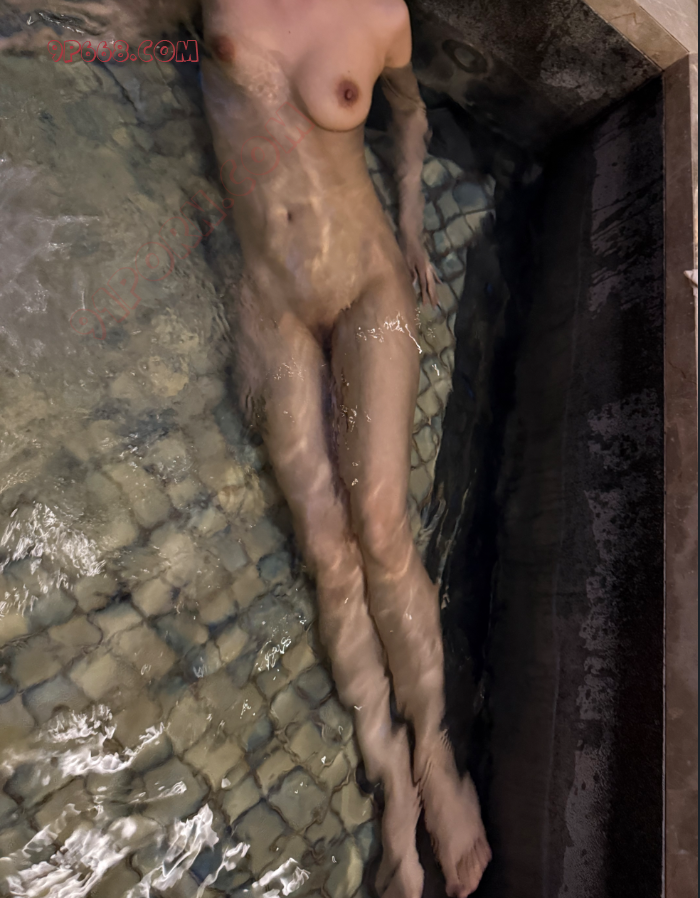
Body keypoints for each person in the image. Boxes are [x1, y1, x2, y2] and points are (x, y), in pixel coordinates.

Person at [3, 1, 491, 895]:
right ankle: (390, 776)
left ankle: (435, 753)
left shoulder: (381, 13)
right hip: (270, 301)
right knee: (328, 551)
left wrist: (413, 228)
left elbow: (410, 112)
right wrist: (64, 39)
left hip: (366, 283)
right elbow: (167, 39)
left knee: (382, 530)